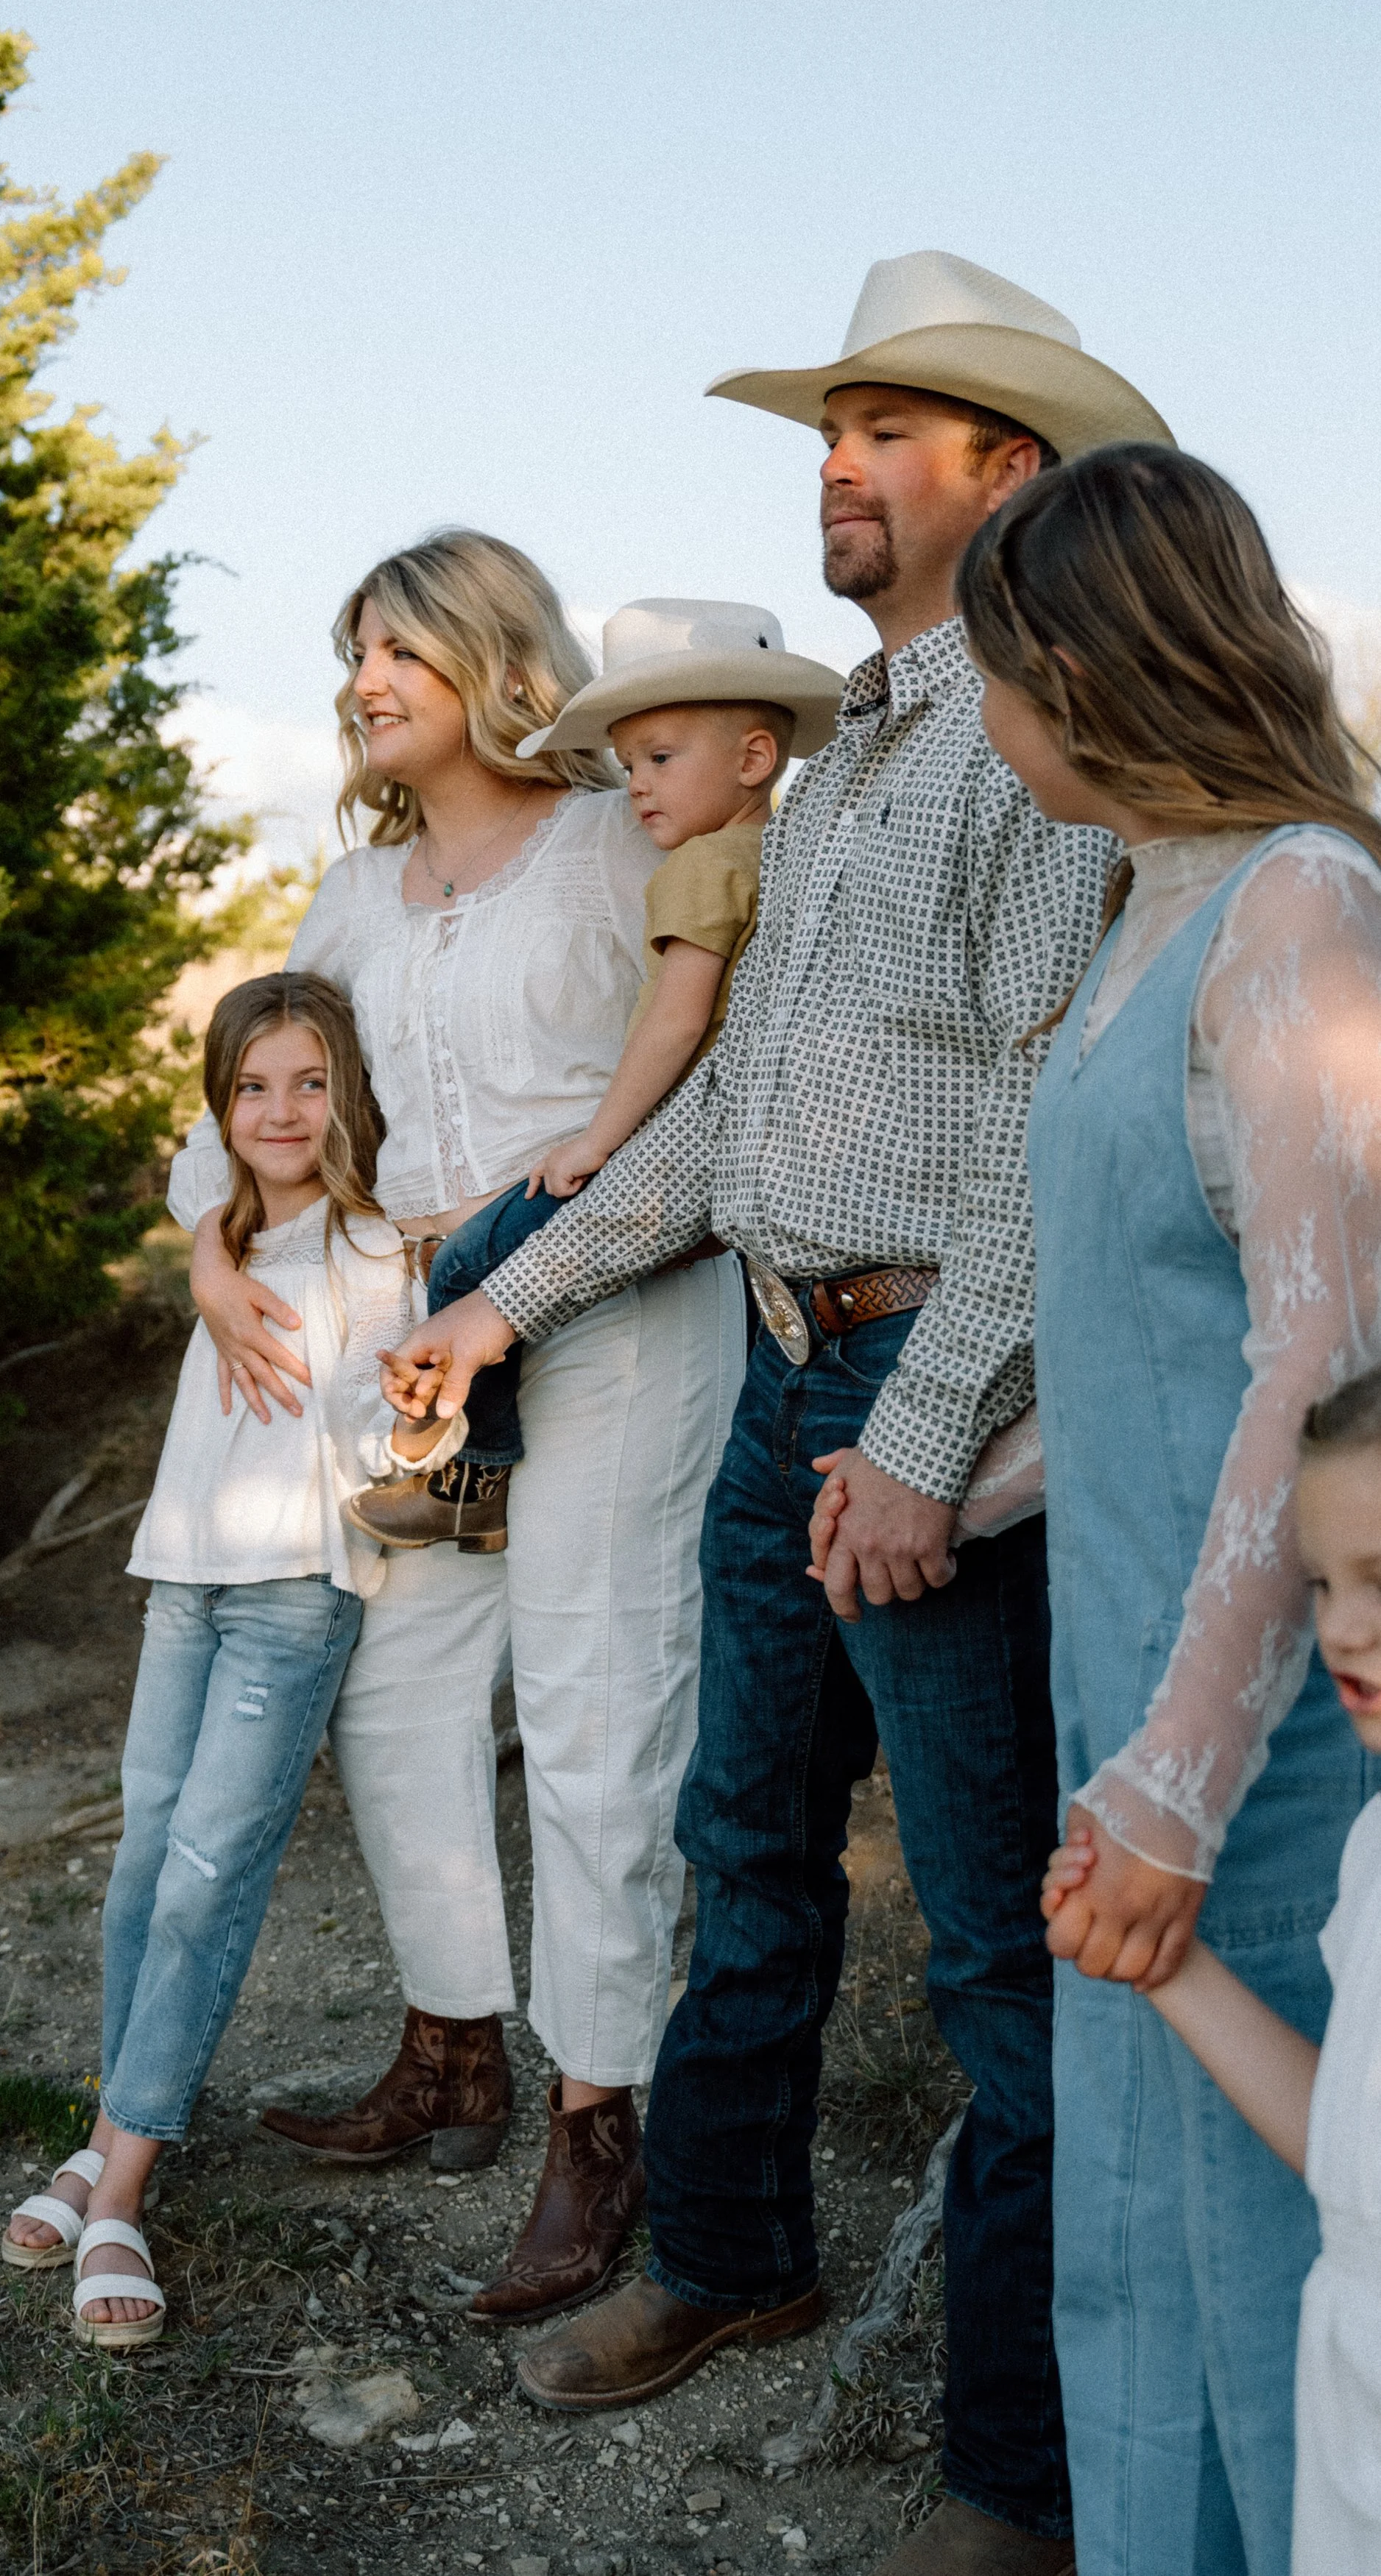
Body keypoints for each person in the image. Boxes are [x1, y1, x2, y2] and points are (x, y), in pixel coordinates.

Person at [381, 254, 1169, 2575]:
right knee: (743, 1855)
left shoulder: (1046, 746)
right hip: (772, 1376)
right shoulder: (823, 779)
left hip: (948, 1406)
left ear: (1001, 476)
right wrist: (499, 1310)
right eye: (818, 432)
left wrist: (921, 1436)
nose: (827, 463)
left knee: (990, 1960)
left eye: (877, 429)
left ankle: (1016, 2477)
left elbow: (1055, 1120)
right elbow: (724, 1131)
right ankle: (727, 2256)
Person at [167, 529, 747, 2324]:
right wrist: (203, 1252)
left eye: (396, 651)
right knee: (398, 1696)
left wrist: (520, 1244)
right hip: (423, 1374)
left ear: (493, 659)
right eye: (353, 656)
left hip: (618, 1327)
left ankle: (597, 2118)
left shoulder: (607, 844)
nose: (361, 685)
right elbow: (257, 1093)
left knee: (591, 1717)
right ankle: (451, 2046)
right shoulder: (354, 896)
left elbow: (702, 1078)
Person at [948, 442, 1381, 2576]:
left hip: (1247, 1742)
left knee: (1256, 2264)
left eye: (997, 672)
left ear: (1093, 666)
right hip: (1110, 1681)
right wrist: (966, 1473)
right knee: (1125, 2248)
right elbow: (1160, 1317)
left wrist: (1181, 1783)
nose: (986, 716)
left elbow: (1315, 1359)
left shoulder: (1299, 900)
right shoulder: (1149, 902)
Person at [0, 972, 459, 2344]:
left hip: (295, 1595)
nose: (280, 1110)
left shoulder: (378, 1250)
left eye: (310, 1083)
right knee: (146, 1857)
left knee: (208, 1876)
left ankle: (124, 2191)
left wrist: (419, 1423)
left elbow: (396, 1440)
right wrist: (210, 1256)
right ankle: (109, 2129)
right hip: (180, 1581)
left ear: (348, 1099)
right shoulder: (222, 1233)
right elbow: (196, 1169)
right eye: (254, 1085)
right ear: (223, 1103)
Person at [348, 597, 841, 1546]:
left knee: (468, 1264)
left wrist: (595, 1140)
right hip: (738, 1168)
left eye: (660, 760)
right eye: (627, 765)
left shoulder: (701, 871)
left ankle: (474, 1472)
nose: (638, 788)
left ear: (752, 759)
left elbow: (674, 1016)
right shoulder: (787, 853)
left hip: (654, 1150)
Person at [1042, 1362, 1381, 2575]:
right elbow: (1352, 2153)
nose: (1344, 1628)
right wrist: (1164, 1972)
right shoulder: (1372, 1850)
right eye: (1324, 1584)